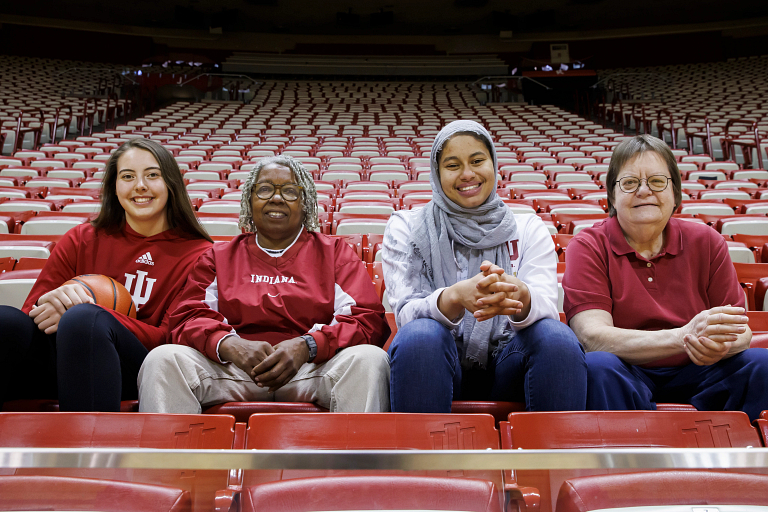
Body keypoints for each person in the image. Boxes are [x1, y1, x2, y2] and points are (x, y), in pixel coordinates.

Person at [137, 155, 391, 414]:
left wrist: (308, 346)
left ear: (305, 203)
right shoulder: (219, 256)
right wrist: (228, 344)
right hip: (232, 368)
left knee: (370, 361)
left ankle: (356, 456)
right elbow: (187, 316)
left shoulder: (334, 253)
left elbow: (367, 318)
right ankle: (170, 456)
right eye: (265, 189)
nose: (277, 198)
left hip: (312, 368)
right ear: (250, 199)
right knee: (162, 360)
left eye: (290, 191)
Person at [382, 120, 587, 413]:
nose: (468, 174)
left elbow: (546, 307)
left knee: (557, 339)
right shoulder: (408, 227)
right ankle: (424, 458)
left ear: (494, 165)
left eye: (478, 160)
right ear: (436, 174)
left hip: (511, 359)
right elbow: (405, 314)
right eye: (453, 165)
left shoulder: (527, 226)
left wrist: (521, 296)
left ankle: (549, 459)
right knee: (419, 337)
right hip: (437, 358)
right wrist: (451, 298)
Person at [563, 134, 768, 421]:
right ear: (612, 195)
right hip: (627, 368)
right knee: (598, 366)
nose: (644, 191)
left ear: (675, 194)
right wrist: (683, 336)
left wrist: (718, 344)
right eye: (630, 183)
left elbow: (741, 333)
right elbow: (593, 337)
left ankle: (738, 462)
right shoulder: (588, 245)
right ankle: (631, 462)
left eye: (657, 182)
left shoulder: (707, 241)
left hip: (700, 368)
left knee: (762, 363)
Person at [0, 138, 213, 412]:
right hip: (63, 358)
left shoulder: (199, 254)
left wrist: (97, 312)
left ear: (171, 184)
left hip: (137, 367)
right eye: (127, 176)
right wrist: (54, 301)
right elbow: (34, 313)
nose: (140, 186)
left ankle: (88, 450)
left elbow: (169, 339)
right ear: (114, 186)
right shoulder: (82, 238)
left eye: (152, 175)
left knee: (84, 320)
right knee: (6, 320)